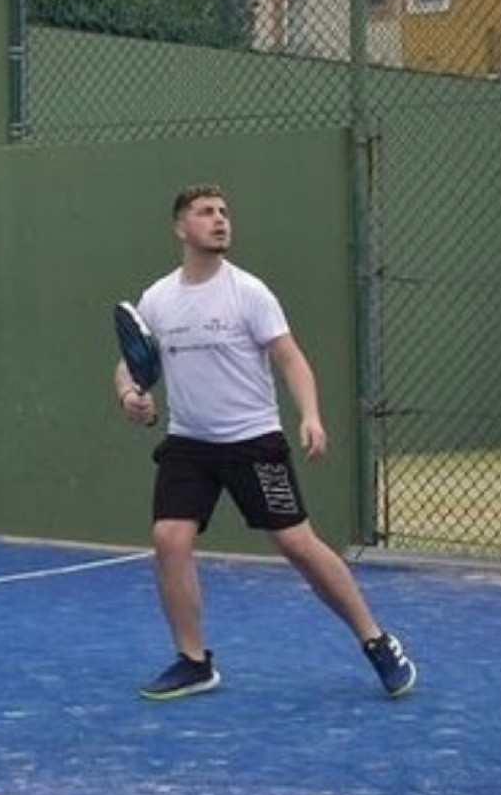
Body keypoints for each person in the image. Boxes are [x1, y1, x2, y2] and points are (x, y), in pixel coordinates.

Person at [114, 183, 418, 703]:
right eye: (205, 212)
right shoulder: (158, 299)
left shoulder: (249, 293)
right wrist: (129, 395)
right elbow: (130, 362)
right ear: (180, 227)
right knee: (169, 539)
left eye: (224, 212)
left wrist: (311, 416)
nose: (219, 219)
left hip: (253, 441)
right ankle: (193, 661)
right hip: (189, 443)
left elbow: (291, 359)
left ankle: (376, 640)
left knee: (297, 544)